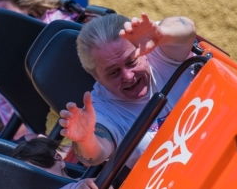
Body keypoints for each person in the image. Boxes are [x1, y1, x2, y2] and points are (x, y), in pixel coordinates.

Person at [58, 13, 197, 167]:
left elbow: (187, 27)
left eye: (131, 62)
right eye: (113, 72)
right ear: (96, 76)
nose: (128, 76)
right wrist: (85, 140)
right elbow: (95, 154)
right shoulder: (101, 109)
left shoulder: (154, 43)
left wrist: (163, 34)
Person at [0, 0, 80, 125]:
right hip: (49, 129)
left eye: (6, 15)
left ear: (25, 9)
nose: (2, 25)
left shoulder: (56, 23)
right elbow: (18, 128)